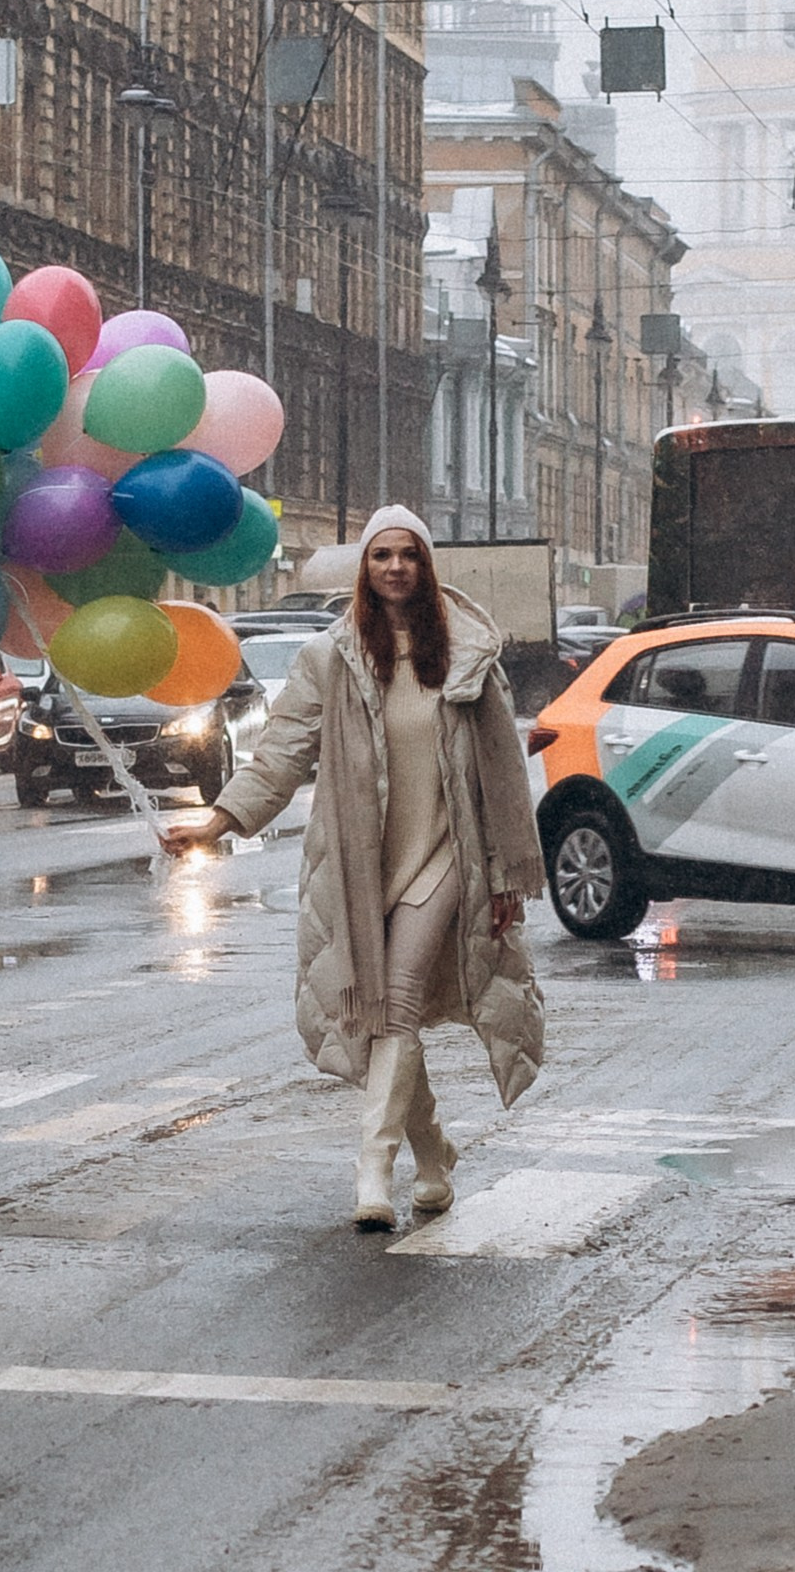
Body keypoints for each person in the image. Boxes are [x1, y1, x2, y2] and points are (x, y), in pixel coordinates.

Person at [160, 504, 546, 1231]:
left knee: (395, 1003)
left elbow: (503, 775)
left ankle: (373, 1169)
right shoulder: (329, 659)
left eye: (409, 554)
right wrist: (219, 820)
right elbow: (281, 755)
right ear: (364, 569)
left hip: (446, 855)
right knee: (382, 1018)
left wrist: (504, 873)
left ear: (427, 566)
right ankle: (434, 1159)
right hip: (363, 867)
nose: (396, 567)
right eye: (381, 555)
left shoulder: (467, 652)